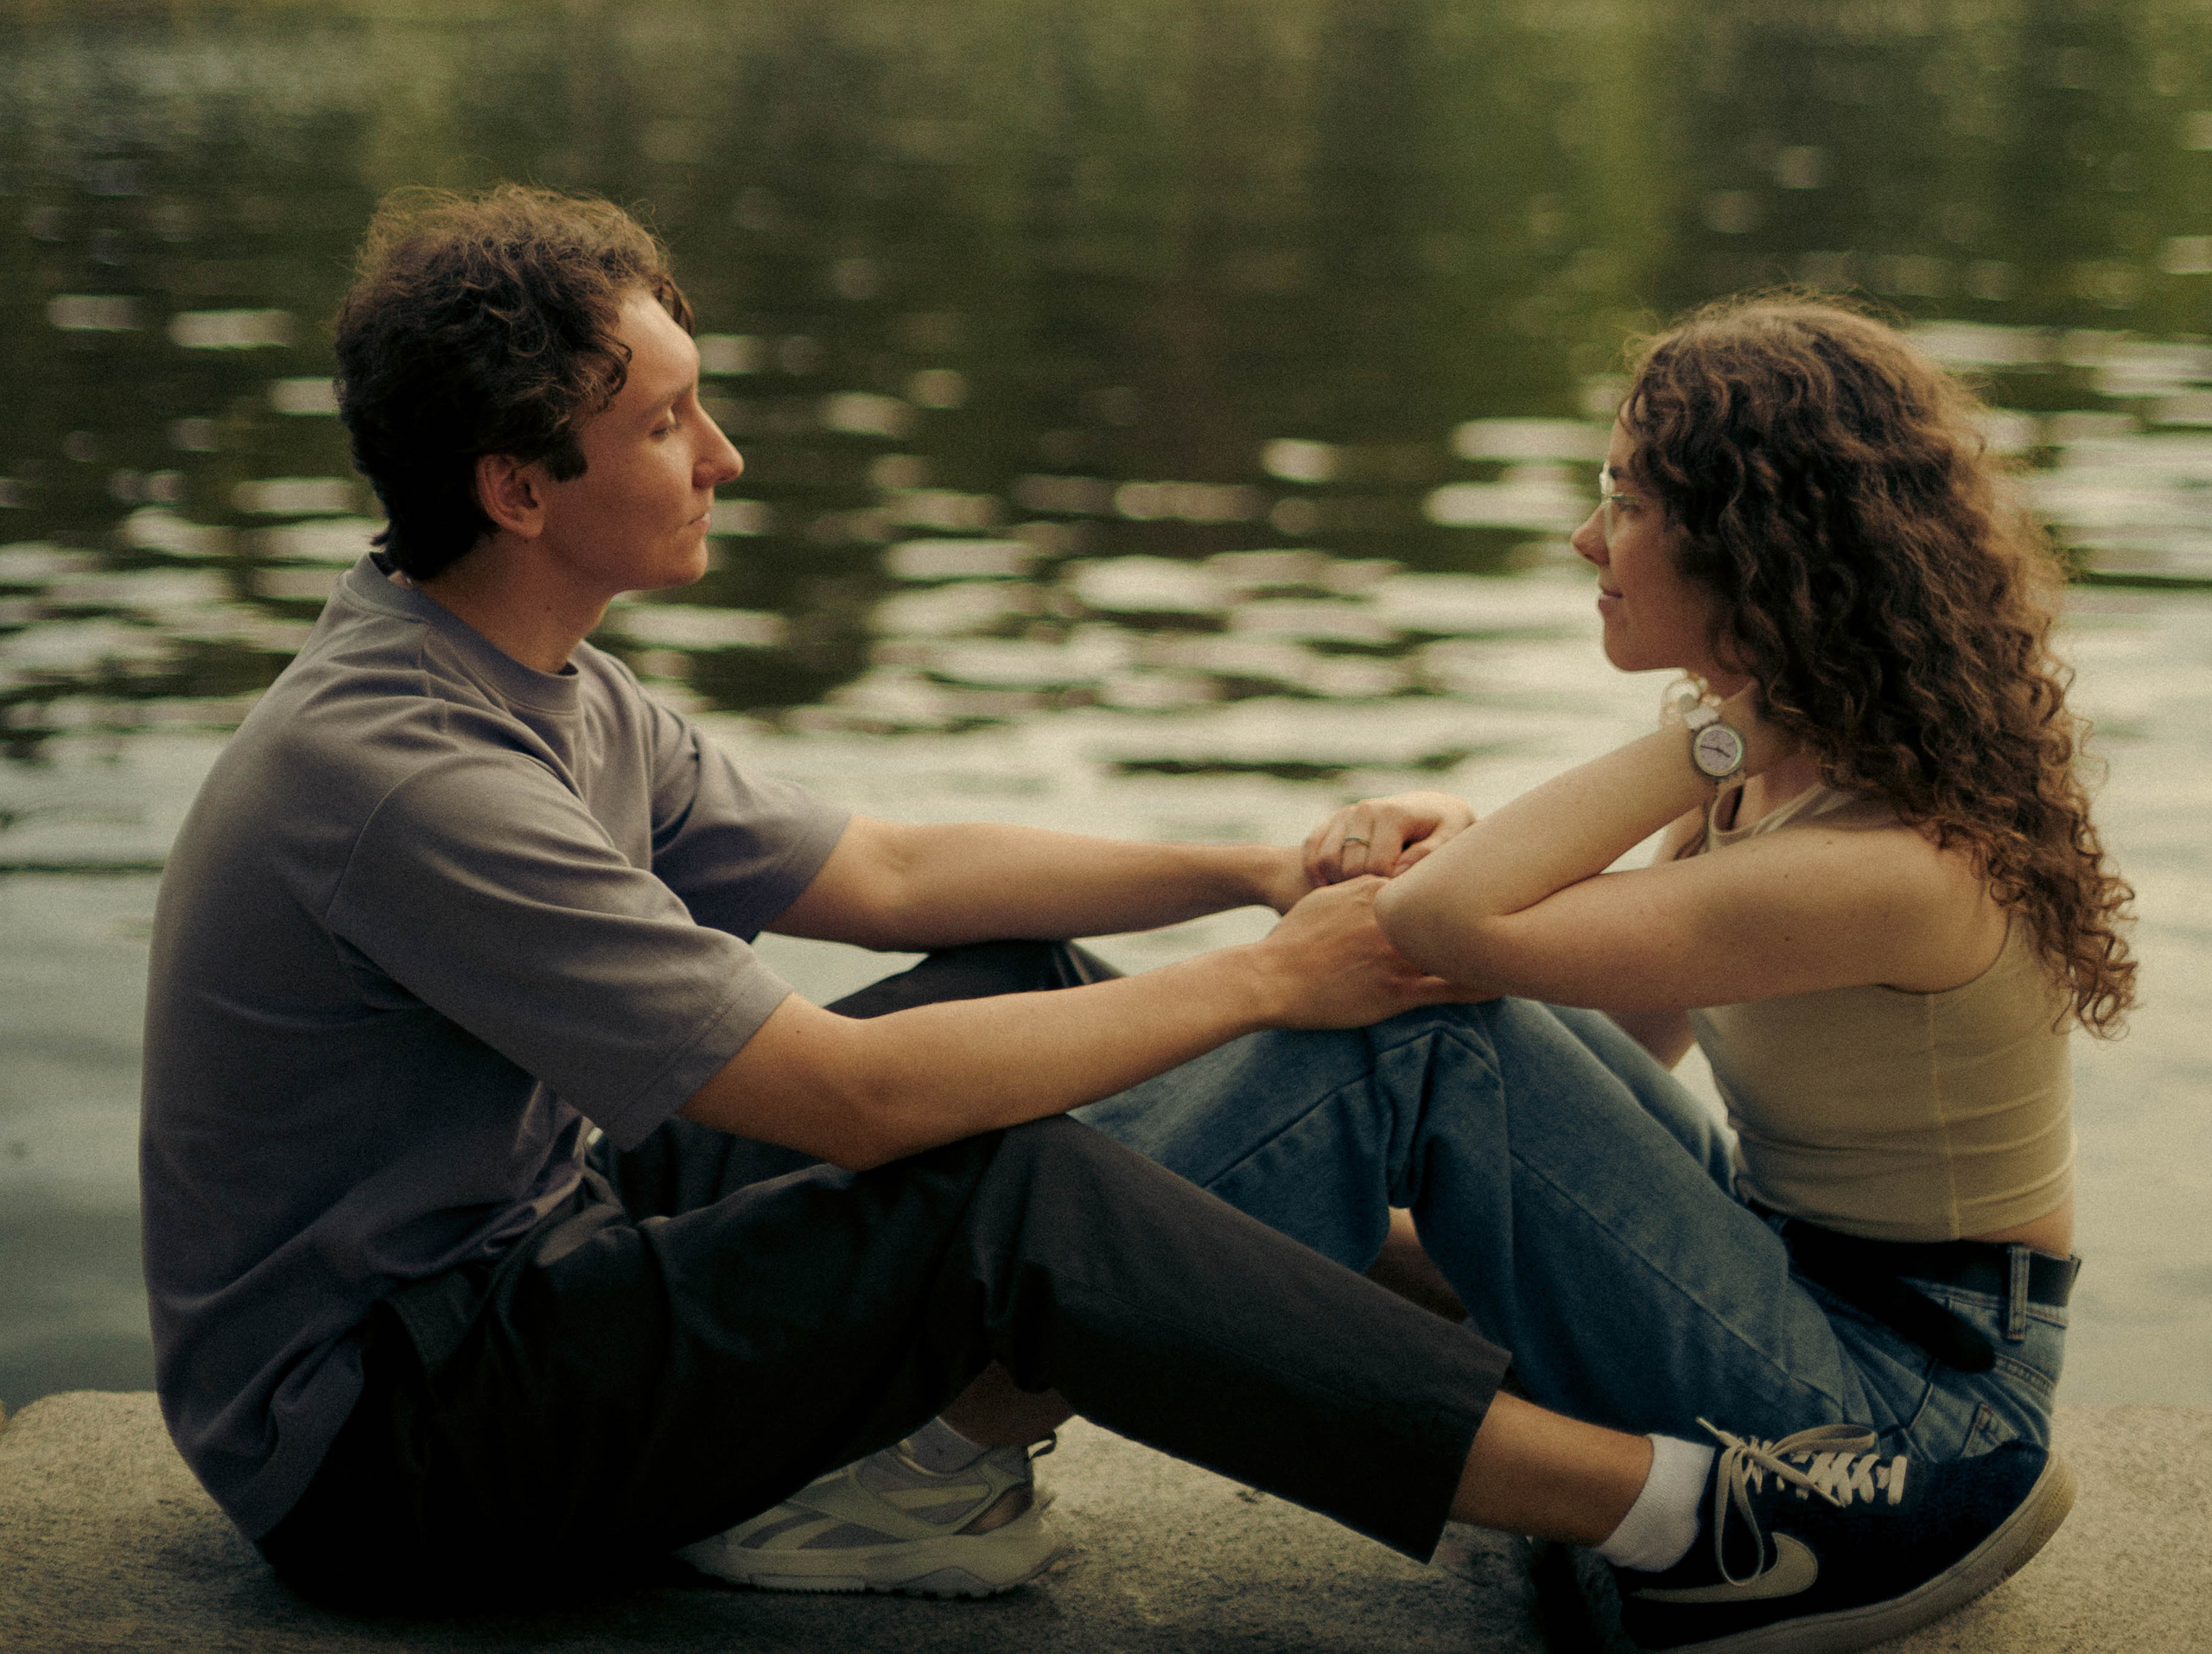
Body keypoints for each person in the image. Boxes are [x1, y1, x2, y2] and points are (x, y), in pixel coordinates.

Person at [139, 209, 2067, 1654]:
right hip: (397, 1440)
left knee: (1020, 991)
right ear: (518, 486)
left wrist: (1250, 870)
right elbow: (840, 1096)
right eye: (669, 419)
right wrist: (1278, 976)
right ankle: (1676, 1516)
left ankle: (929, 1429)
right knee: (1007, 1198)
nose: (723, 454)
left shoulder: (531, 682)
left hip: (520, 1266)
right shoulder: (412, 777)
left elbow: (886, 876)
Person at [1074, 296, 2118, 1643]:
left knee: (1416, 1034)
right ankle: (1038, 1247)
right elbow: (1594, 1025)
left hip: (1910, 1405)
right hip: (1795, 1280)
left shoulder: (1892, 862)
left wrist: (1716, 729)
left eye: (1623, 500)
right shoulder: (1780, 795)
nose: (1586, 539)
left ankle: (994, 1298)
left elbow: (1444, 931)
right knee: (1408, 1047)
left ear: (1756, 545)